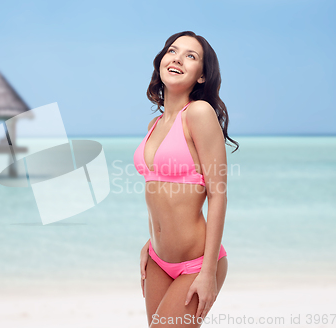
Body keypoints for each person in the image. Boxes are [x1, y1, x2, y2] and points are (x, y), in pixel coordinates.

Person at [133, 31, 239, 327]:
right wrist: (152, 240)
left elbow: (218, 194)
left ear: (202, 76)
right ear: (161, 61)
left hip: (196, 263)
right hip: (157, 258)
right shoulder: (155, 123)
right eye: (172, 51)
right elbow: (159, 192)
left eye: (190, 56)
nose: (177, 58)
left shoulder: (200, 114)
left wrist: (207, 273)